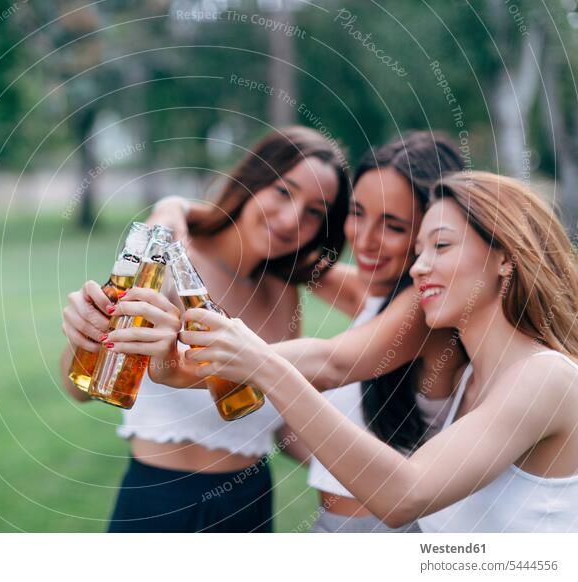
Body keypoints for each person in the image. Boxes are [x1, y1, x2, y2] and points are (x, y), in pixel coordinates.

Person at [179, 171, 578, 532]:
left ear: (505, 257)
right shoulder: (469, 380)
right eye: (419, 251)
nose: (419, 267)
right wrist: (175, 355)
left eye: (441, 245)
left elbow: (404, 496)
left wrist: (267, 367)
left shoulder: (545, 378)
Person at [149, 132, 467, 532]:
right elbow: (283, 243)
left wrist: (191, 364)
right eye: (358, 212)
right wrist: (172, 208)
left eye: (394, 225)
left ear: (429, 231)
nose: (365, 240)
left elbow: (331, 363)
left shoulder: (422, 307)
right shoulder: (374, 288)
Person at [59, 126, 350, 532]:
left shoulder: (284, 293)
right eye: (284, 192)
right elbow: (80, 387)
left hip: (252, 505)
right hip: (162, 503)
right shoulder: (168, 266)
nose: (291, 219)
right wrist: (83, 333)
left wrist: (360, 462)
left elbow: (277, 413)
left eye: (315, 211)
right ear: (252, 183)